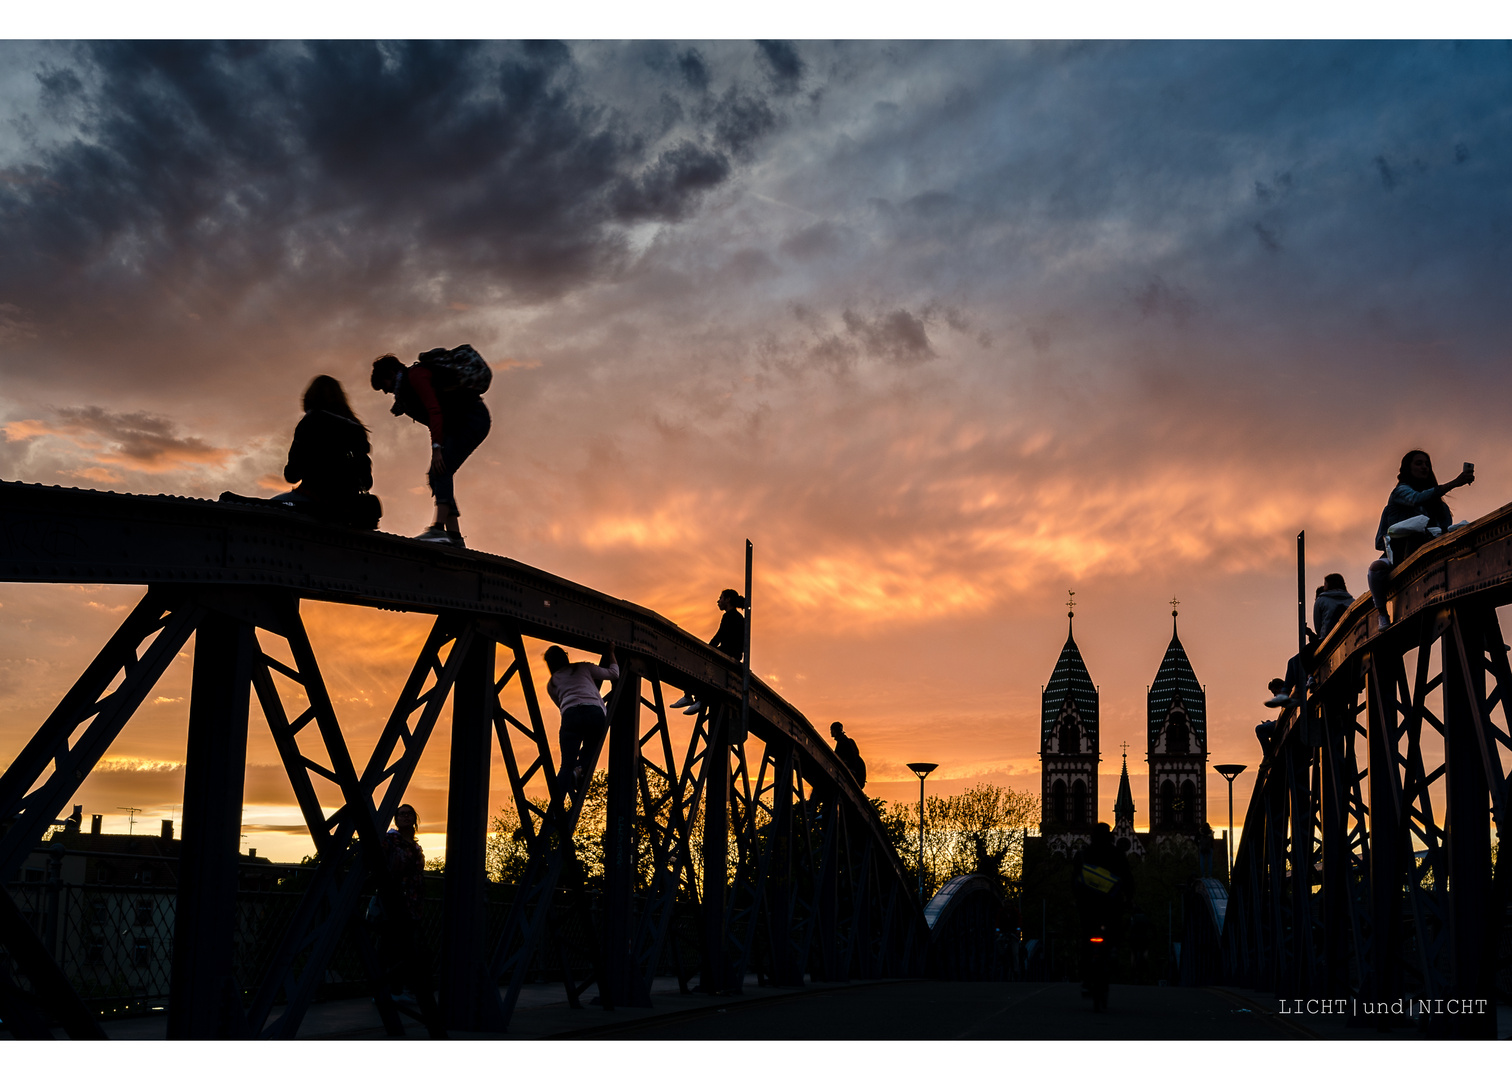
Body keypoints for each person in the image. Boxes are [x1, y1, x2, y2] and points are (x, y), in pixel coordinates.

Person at [371, 351, 492, 548]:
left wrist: (437, 450)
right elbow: (435, 420)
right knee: (435, 475)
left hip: (472, 420)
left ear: (392, 373)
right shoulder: (406, 395)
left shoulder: (416, 377)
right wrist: (439, 447)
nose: (385, 391)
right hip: (457, 426)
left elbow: (434, 411)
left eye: (383, 384)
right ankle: (454, 535)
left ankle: (438, 529)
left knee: (442, 469)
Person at [1366, 450, 1474, 630]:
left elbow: (1444, 528)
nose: (1424, 467)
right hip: (1399, 556)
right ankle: (1382, 613)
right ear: (1407, 468)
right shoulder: (1400, 492)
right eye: (1418, 463)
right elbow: (1415, 499)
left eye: (1427, 464)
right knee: (1375, 570)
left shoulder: (1440, 507)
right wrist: (1456, 483)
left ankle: (1481, 633)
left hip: (1430, 555)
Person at [275, 375, 381, 528]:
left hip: (314, 502)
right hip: (347, 508)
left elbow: (292, 475)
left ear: (310, 397)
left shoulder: (310, 422)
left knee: (270, 508)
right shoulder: (356, 428)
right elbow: (366, 482)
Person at [1071, 823, 1133, 1003]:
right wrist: (1130, 898)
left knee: (1086, 939)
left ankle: (1085, 979)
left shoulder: (1083, 854)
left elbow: (1074, 879)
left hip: (1088, 906)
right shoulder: (1117, 854)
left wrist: (1076, 899)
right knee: (1114, 933)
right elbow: (1128, 879)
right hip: (1111, 906)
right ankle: (1113, 952)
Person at [545, 642, 619, 792]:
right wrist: (611, 652)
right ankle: (580, 768)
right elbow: (614, 674)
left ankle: (555, 811)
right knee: (590, 748)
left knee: (565, 766)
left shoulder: (551, 684)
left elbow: (561, 706)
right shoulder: (583, 667)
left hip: (570, 716)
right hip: (594, 713)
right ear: (565, 657)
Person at [375, 803, 428, 1006]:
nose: (406, 817)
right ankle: (389, 990)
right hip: (395, 900)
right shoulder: (391, 840)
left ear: (414, 819)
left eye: (409, 814)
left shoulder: (415, 846)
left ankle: (400, 989)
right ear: (396, 819)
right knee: (392, 946)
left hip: (413, 903)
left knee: (408, 947)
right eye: (402, 814)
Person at [670, 589, 748, 714]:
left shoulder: (730, 616)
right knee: (704, 669)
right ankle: (696, 699)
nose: (718, 601)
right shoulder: (737, 617)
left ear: (727, 599)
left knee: (698, 664)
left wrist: (707, 650)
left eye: (721, 598)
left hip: (727, 654)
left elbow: (719, 636)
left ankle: (694, 698)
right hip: (732, 654)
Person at [1313, 573, 1354, 642]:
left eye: (1325, 584)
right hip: (1350, 637)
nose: (1324, 587)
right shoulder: (1352, 601)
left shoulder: (1321, 600)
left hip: (1327, 639)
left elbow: (1318, 627)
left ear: (1329, 585)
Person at [830, 722, 866, 787]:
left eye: (831, 730)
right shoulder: (848, 741)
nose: (830, 732)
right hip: (859, 777)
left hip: (854, 776)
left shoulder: (842, 742)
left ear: (834, 730)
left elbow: (836, 758)